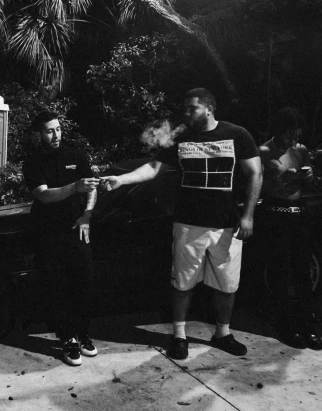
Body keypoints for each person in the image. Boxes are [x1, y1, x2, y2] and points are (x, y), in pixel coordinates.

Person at [100, 88, 262, 360]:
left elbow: (256, 172)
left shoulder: (237, 134)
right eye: (185, 108)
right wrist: (121, 180)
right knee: (182, 284)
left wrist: (248, 215)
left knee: (227, 285)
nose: (186, 113)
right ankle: (179, 335)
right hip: (188, 225)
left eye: (192, 108)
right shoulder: (181, 139)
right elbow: (152, 169)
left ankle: (222, 333)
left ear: (209, 108)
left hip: (226, 226)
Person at [22, 111, 100, 366]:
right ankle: (67, 338)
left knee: (84, 283)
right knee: (57, 287)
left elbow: (91, 188)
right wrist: (73, 187)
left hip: (77, 228)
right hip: (48, 232)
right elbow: (44, 195)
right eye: (49, 131)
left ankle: (83, 332)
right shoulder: (33, 161)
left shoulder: (75, 155)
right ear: (40, 134)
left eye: (57, 129)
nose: (55, 135)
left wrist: (87, 215)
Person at [258, 107, 322, 350]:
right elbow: (257, 183)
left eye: (295, 135)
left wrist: (309, 175)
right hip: (275, 212)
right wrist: (277, 178)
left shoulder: (301, 150)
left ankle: (307, 323)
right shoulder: (264, 150)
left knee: (302, 270)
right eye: (288, 136)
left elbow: (311, 182)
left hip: (298, 211)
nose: (292, 140)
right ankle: (285, 324)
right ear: (278, 132)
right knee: (280, 269)